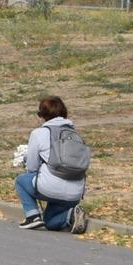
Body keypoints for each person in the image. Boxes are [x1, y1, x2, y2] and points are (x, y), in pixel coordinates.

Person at [16, 95, 89, 232]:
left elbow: (31, 167)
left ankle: (33, 217)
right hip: (75, 193)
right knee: (49, 222)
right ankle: (71, 215)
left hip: (49, 187)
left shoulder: (39, 133)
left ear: (42, 116)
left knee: (20, 181)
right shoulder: (76, 135)